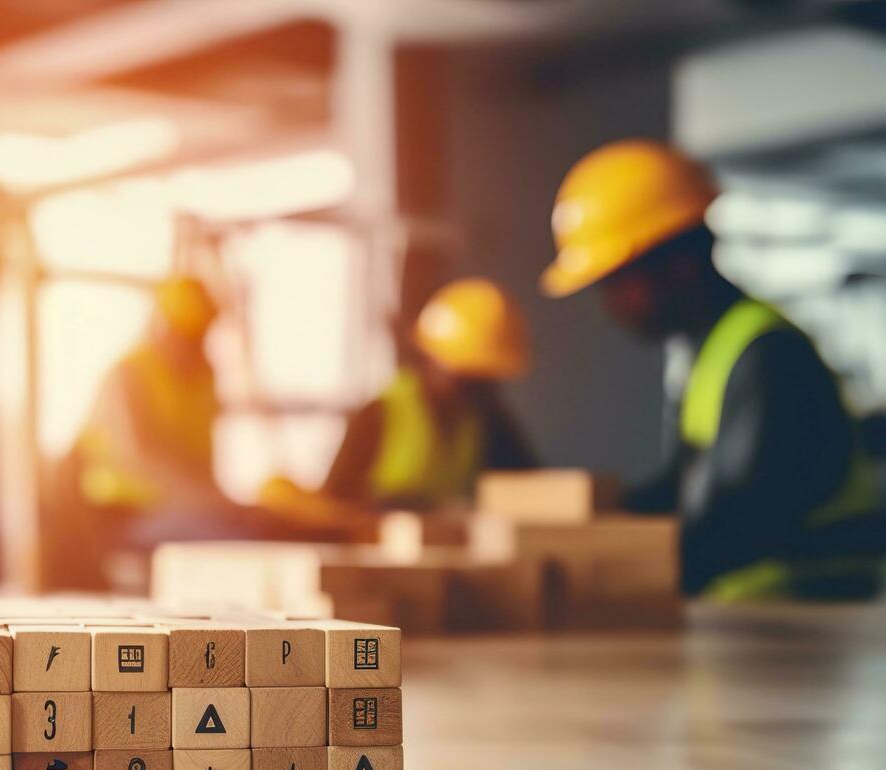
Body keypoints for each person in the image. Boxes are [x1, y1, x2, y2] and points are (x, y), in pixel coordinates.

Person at [541, 139, 881, 599]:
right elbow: (681, 488)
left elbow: (734, 526)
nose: (609, 305)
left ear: (678, 264)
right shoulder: (713, 353)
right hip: (755, 618)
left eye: (616, 281)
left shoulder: (767, 359)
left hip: (805, 618)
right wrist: (593, 518)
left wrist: (594, 576)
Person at [51, 275, 231, 588]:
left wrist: (224, 505)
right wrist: (213, 504)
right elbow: (141, 459)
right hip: (119, 517)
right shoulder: (129, 375)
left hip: (182, 511)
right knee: (227, 534)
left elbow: (206, 463)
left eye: (198, 336)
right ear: (163, 327)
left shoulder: (205, 379)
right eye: (185, 335)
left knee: (247, 528)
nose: (192, 346)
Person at [321, 277, 538, 508]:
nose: (476, 389)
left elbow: (536, 488)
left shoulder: (485, 420)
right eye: (467, 375)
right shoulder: (381, 414)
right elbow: (334, 502)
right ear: (432, 359)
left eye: (486, 378)